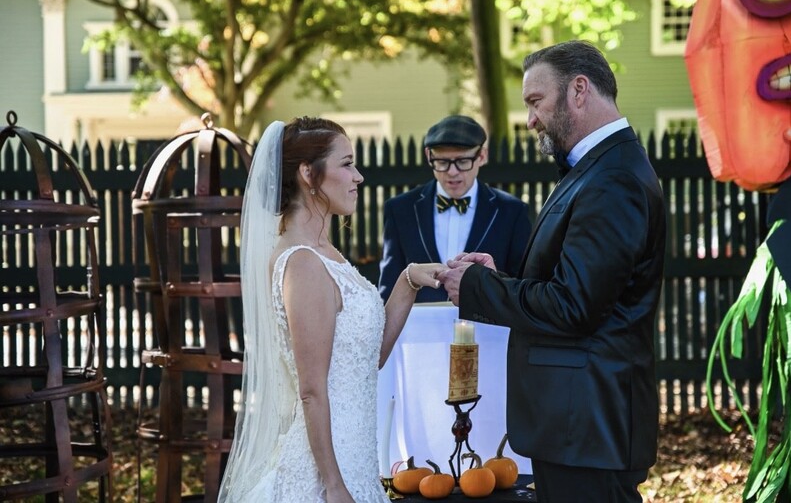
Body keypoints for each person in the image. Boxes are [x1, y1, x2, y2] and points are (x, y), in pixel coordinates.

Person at [438, 41, 666, 502]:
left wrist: (479, 288)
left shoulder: (613, 179)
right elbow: (576, 284)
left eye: (535, 101)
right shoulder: (597, 170)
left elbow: (575, 306)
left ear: (579, 90)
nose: (531, 120)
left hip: (587, 427)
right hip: (577, 427)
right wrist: (500, 277)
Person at [218, 117, 446, 502]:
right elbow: (311, 391)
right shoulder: (304, 264)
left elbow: (366, 358)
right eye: (347, 163)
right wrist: (333, 486)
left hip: (356, 460)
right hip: (320, 477)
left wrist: (409, 279)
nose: (358, 177)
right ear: (309, 173)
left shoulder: (328, 255)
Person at [377, 115, 532, 303]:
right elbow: (389, 286)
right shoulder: (400, 209)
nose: (452, 172)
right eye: (442, 162)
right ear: (429, 156)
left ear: (482, 156)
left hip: (486, 327)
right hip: (418, 328)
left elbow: (522, 284)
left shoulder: (512, 211)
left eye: (462, 161)